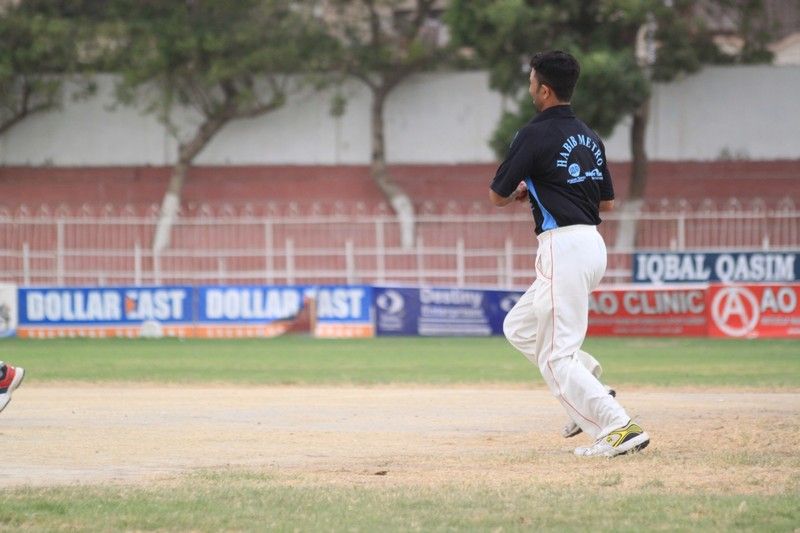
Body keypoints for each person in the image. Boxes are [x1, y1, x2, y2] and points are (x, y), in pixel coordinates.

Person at [489, 50, 649, 457]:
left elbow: (497, 195)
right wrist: (547, 187)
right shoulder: (589, 135)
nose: (530, 88)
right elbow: (606, 202)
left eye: (531, 82)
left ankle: (618, 427)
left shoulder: (532, 134)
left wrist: (523, 190)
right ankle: (590, 382)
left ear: (544, 90)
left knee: (556, 358)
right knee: (518, 327)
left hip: (563, 247)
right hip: (591, 244)